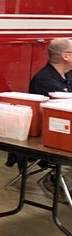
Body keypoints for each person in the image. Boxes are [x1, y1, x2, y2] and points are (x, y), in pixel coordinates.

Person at [26, 38, 72, 202]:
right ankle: (55, 179)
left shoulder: (67, 75)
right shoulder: (45, 80)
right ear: (66, 56)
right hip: (51, 134)